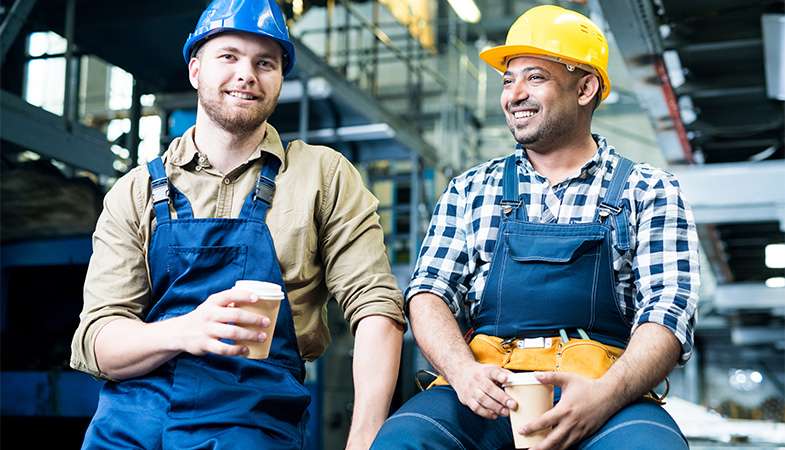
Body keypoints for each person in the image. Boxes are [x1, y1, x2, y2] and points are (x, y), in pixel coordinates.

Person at [70, 0, 405, 448]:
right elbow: (99, 341)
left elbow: (376, 306)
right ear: (195, 70)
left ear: (280, 79)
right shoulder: (135, 192)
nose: (247, 74)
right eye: (228, 56)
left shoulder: (321, 176)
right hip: (134, 421)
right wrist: (188, 329)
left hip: (252, 421)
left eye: (264, 62)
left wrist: (364, 436)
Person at [372, 5, 699, 450]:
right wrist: (463, 373)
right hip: (487, 390)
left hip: (603, 388)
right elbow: (429, 292)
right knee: (403, 440)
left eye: (535, 77)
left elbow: (669, 309)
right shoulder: (471, 189)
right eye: (508, 80)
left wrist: (605, 396)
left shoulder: (650, 190)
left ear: (585, 88)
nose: (513, 94)